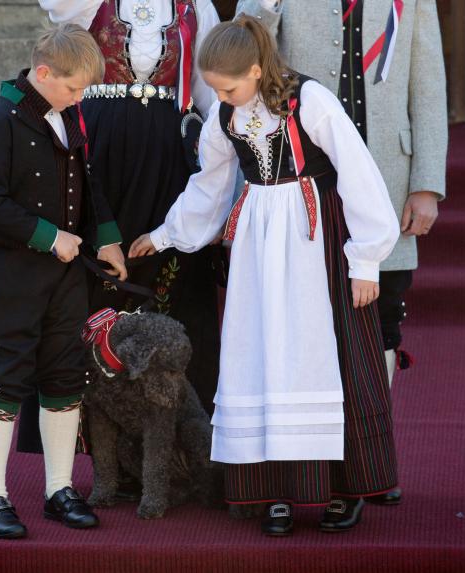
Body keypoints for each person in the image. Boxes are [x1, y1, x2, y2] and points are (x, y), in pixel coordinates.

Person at [130, 15, 400, 535]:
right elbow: (209, 185)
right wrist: (166, 235)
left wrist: (365, 259)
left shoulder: (311, 100)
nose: (222, 97)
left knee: (326, 352)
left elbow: (359, 173)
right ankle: (272, 489)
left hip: (315, 239)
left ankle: (344, 489)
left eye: (228, 87)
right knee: (260, 352)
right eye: (214, 89)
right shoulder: (225, 117)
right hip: (258, 243)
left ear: (256, 69)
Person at [235, 0, 449, 505]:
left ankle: (369, 457)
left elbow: (428, 79)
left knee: (382, 318)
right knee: (313, 322)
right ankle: (313, 462)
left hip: (389, 177)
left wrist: (426, 183)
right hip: (304, 180)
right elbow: (245, 44)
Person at [0, 23, 126, 539]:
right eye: (74, 87)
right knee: (5, 376)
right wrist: (48, 235)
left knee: (64, 375)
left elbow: (88, 179)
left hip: (64, 275)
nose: (80, 98)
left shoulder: (68, 114)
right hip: (9, 272)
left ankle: (60, 487)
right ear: (43, 73)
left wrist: (106, 238)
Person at [31, 0, 222, 417]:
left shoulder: (196, 6)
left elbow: (209, 93)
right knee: (93, 279)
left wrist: (219, 168)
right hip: (100, 150)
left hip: (169, 156)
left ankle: (171, 428)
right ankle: (92, 435)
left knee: (169, 276)